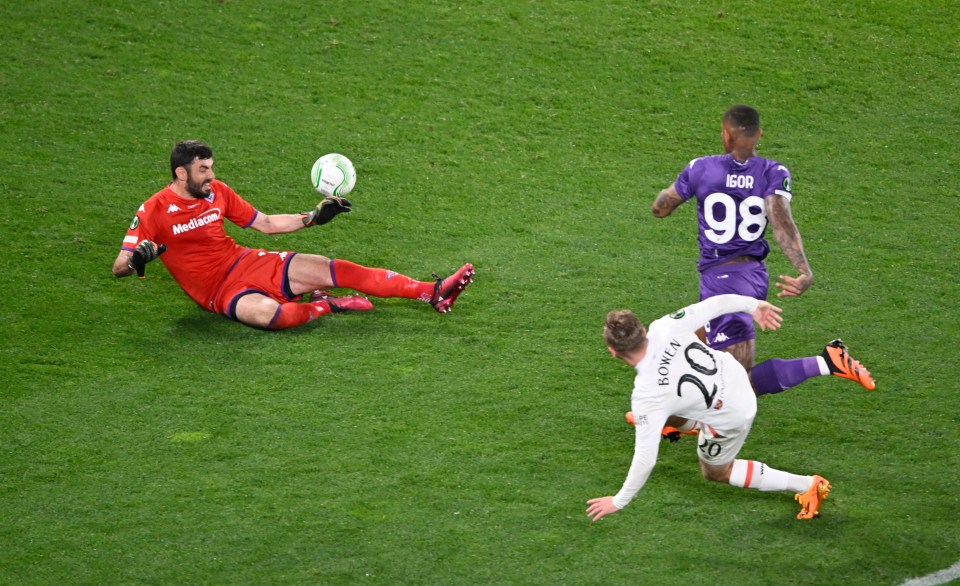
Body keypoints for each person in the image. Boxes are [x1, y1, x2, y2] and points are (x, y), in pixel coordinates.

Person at [112, 140, 474, 330]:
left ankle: (433, 292)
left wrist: (313, 218)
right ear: (180, 173)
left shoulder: (218, 192)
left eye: (211, 167)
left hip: (245, 262)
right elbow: (119, 267)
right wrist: (137, 260)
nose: (211, 175)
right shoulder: (154, 210)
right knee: (271, 316)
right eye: (203, 170)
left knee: (338, 269)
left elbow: (265, 223)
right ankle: (327, 304)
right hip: (218, 292)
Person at [646, 104, 874, 400]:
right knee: (688, 340)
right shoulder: (773, 171)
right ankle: (668, 410)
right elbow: (781, 220)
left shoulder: (701, 168)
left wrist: (683, 190)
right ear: (759, 134)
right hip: (750, 274)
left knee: (734, 386)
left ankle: (827, 362)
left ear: (726, 135)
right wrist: (804, 270)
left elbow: (660, 208)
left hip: (724, 281)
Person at [586, 295, 833, 522]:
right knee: (664, 412)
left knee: (716, 472)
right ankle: (691, 425)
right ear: (642, 330)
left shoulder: (646, 397)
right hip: (735, 374)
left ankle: (807, 485)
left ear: (612, 351)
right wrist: (754, 306)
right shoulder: (665, 326)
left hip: (733, 415)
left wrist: (618, 501)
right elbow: (716, 305)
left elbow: (645, 459)